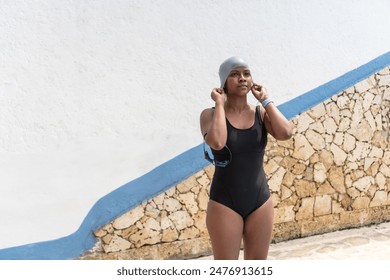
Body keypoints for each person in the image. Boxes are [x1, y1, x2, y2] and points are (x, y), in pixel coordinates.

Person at [200, 56, 292, 260]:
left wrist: (266, 100)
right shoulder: (209, 114)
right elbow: (217, 143)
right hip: (225, 203)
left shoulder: (261, 113)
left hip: (260, 201)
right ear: (223, 82)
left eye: (246, 74)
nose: (242, 78)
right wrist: (220, 105)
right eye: (234, 74)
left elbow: (286, 133)